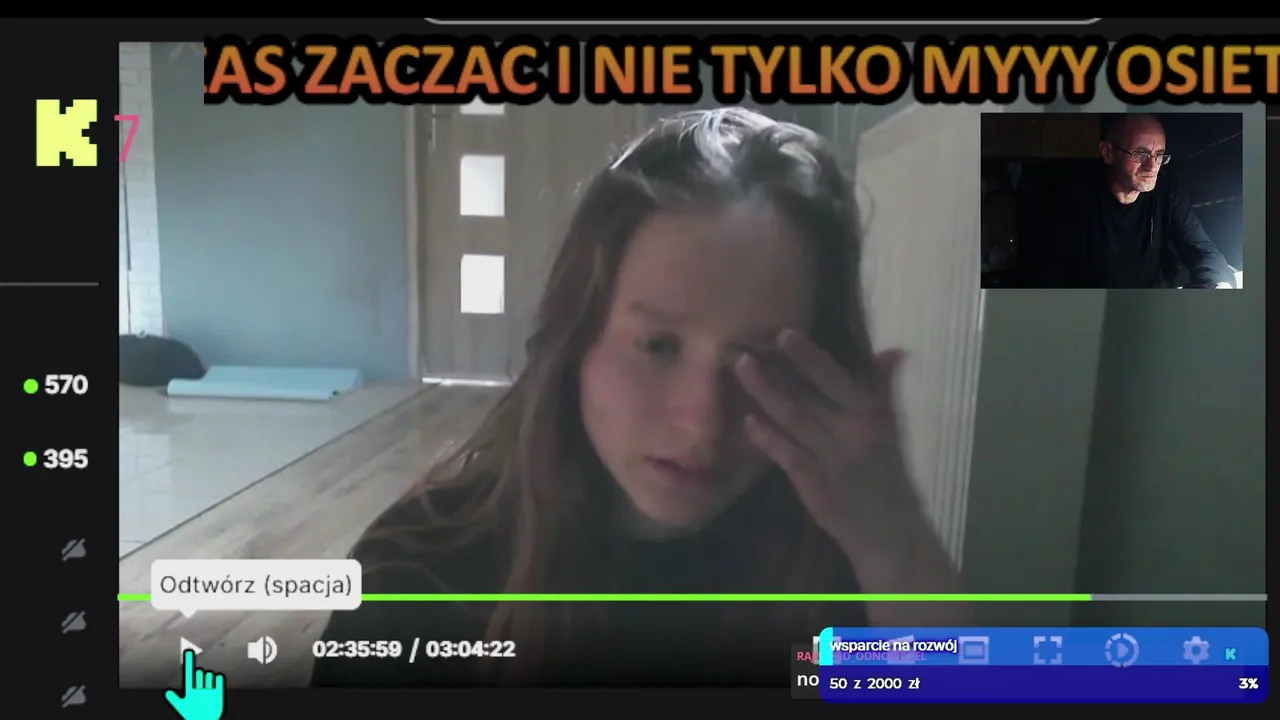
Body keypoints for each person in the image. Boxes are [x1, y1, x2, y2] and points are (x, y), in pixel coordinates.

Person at [311, 108, 969, 689]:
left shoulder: (849, 572)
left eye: (760, 360)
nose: (703, 421)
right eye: (658, 345)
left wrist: (897, 546)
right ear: (576, 335)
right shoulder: (416, 577)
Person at [1019, 114, 1235, 289]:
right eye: (1141, 154)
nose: (1152, 167)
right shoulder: (1070, 198)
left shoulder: (1167, 190)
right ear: (1107, 153)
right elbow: (1046, 276)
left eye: (1159, 155)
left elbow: (1201, 248)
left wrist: (1219, 284)